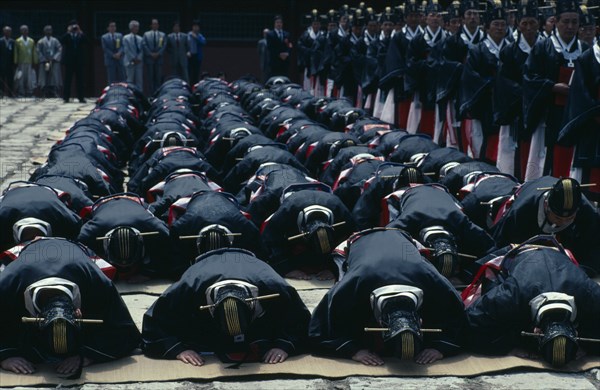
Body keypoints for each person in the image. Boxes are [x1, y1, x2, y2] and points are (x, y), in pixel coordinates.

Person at [309, 228, 465, 365]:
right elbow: (325, 321)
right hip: (357, 241)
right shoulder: (355, 281)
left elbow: (456, 312)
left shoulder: (430, 277)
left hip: (404, 241)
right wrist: (352, 350)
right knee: (346, 305)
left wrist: (440, 347)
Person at [142, 248, 310, 366]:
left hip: (249, 260)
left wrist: (284, 345)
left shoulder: (273, 286)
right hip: (206, 262)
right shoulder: (190, 287)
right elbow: (155, 321)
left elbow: (300, 319)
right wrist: (176, 349)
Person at [0, 238, 141, 376]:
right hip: (32, 249)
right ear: (35, 317)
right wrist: (5, 355)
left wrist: (88, 355)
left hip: (73, 249)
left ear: (79, 312)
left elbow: (125, 331)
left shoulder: (96, 283)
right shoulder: (8, 284)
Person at [464, 240, 600, 367]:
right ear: (536, 330)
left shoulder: (589, 294)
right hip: (517, 251)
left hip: (557, 254)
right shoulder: (512, 295)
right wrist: (509, 346)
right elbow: (469, 322)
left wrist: (588, 346)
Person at [523, 1, 586, 180]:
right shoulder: (543, 47)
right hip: (549, 112)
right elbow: (529, 78)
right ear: (556, 22)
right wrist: (551, 86)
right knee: (546, 158)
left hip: (574, 113)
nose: (570, 26)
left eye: (574, 22)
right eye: (566, 21)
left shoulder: (585, 50)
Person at [491, 177, 600, 276]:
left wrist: (577, 272)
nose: (563, 222)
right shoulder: (522, 212)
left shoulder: (588, 212)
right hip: (529, 225)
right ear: (546, 205)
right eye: (558, 218)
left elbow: (593, 251)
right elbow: (501, 246)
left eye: (569, 218)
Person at [494, 1, 543, 179]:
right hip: (516, 109)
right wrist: (525, 92)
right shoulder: (509, 51)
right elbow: (503, 82)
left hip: (540, 109)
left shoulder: (546, 49)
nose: (529, 28)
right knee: (513, 155)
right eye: (524, 23)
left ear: (539, 23)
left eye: (532, 23)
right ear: (518, 25)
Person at [458, 0, 509, 163]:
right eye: (496, 24)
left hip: (508, 104)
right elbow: (470, 77)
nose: (500, 28)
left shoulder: (512, 49)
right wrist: (492, 85)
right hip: (485, 103)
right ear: (487, 27)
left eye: (503, 24)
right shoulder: (477, 50)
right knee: (485, 144)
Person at [560, 31, 600, 202]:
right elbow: (579, 94)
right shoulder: (587, 58)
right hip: (592, 125)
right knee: (589, 179)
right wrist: (594, 113)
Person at [60, 20, 86, 103]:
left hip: (79, 61)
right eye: (73, 27)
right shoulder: (67, 36)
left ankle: (81, 97)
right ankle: (66, 97)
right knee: (68, 80)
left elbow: (87, 41)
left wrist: (80, 32)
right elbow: (62, 40)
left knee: (80, 80)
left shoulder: (80, 35)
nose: (74, 29)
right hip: (69, 61)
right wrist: (68, 32)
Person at [36, 25, 62, 98]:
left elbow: (59, 49)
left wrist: (54, 58)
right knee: (43, 76)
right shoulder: (40, 41)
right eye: (47, 30)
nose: (48, 32)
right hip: (44, 61)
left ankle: (54, 91)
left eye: (50, 30)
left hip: (53, 61)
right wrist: (44, 59)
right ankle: (44, 91)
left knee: (54, 75)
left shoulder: (55, 40)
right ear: (44, 31)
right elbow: (38, 51)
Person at [142, 18, 166, 94]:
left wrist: (158, 53)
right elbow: (144, 44)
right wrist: (150, 53)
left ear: (158, 25)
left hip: (159, 58)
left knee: (158, 77)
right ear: (151, 25)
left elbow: (164, 45)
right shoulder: (146, 34)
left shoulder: (162, 35)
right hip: (150, 58)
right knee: (150, 77)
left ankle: (158, 93)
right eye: (153, 24)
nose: (155, 25)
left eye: (156, 24)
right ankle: (150, 94)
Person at [13, 25, 37, 97]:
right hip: (21, 62)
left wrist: (35, 61)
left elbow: (34, 52)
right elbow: (16, 52)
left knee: (29, 78)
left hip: (29, 62)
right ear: (21, 31)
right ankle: (21, 92)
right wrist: (16, 61)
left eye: (26, 30)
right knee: (20, 78)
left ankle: (30, 92)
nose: (25, 31)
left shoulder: (31, 41)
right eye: (23, 30)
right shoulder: (17, 41)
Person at [123, 20, 143, 90]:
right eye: (135, 27)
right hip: (130, 62)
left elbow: (141, 50)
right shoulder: (126, 38)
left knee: (139, 80)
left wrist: (139, 58)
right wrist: (133, 58)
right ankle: (129, 94)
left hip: (138, 62)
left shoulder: (140, 38)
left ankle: (140, 96)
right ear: (131, 28)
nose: (137, 28)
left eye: (137, 27)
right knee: (129, 80)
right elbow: (127, 50)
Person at [187, 19, 206, 85]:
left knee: (196, 73)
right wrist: (187, 51)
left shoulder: (200, 36)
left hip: (197, 56)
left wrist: (196, 37)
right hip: (190, 56)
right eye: (194, 26)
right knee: (189, 72)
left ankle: (195, 86)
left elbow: (203, 42)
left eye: (197, 27)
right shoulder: (188, 35)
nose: (195, 28)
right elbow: (185, 44)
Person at [0, 26, 15, 96]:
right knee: (1, 79)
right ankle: (1, 93)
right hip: (1, 64)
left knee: (10, 79)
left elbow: (14, 53)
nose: (8, 33)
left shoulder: (12, 42)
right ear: (4, 32)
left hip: (10, 64)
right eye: (7, 31)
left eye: (9, 31)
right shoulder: (0, 41)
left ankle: (10, 94)